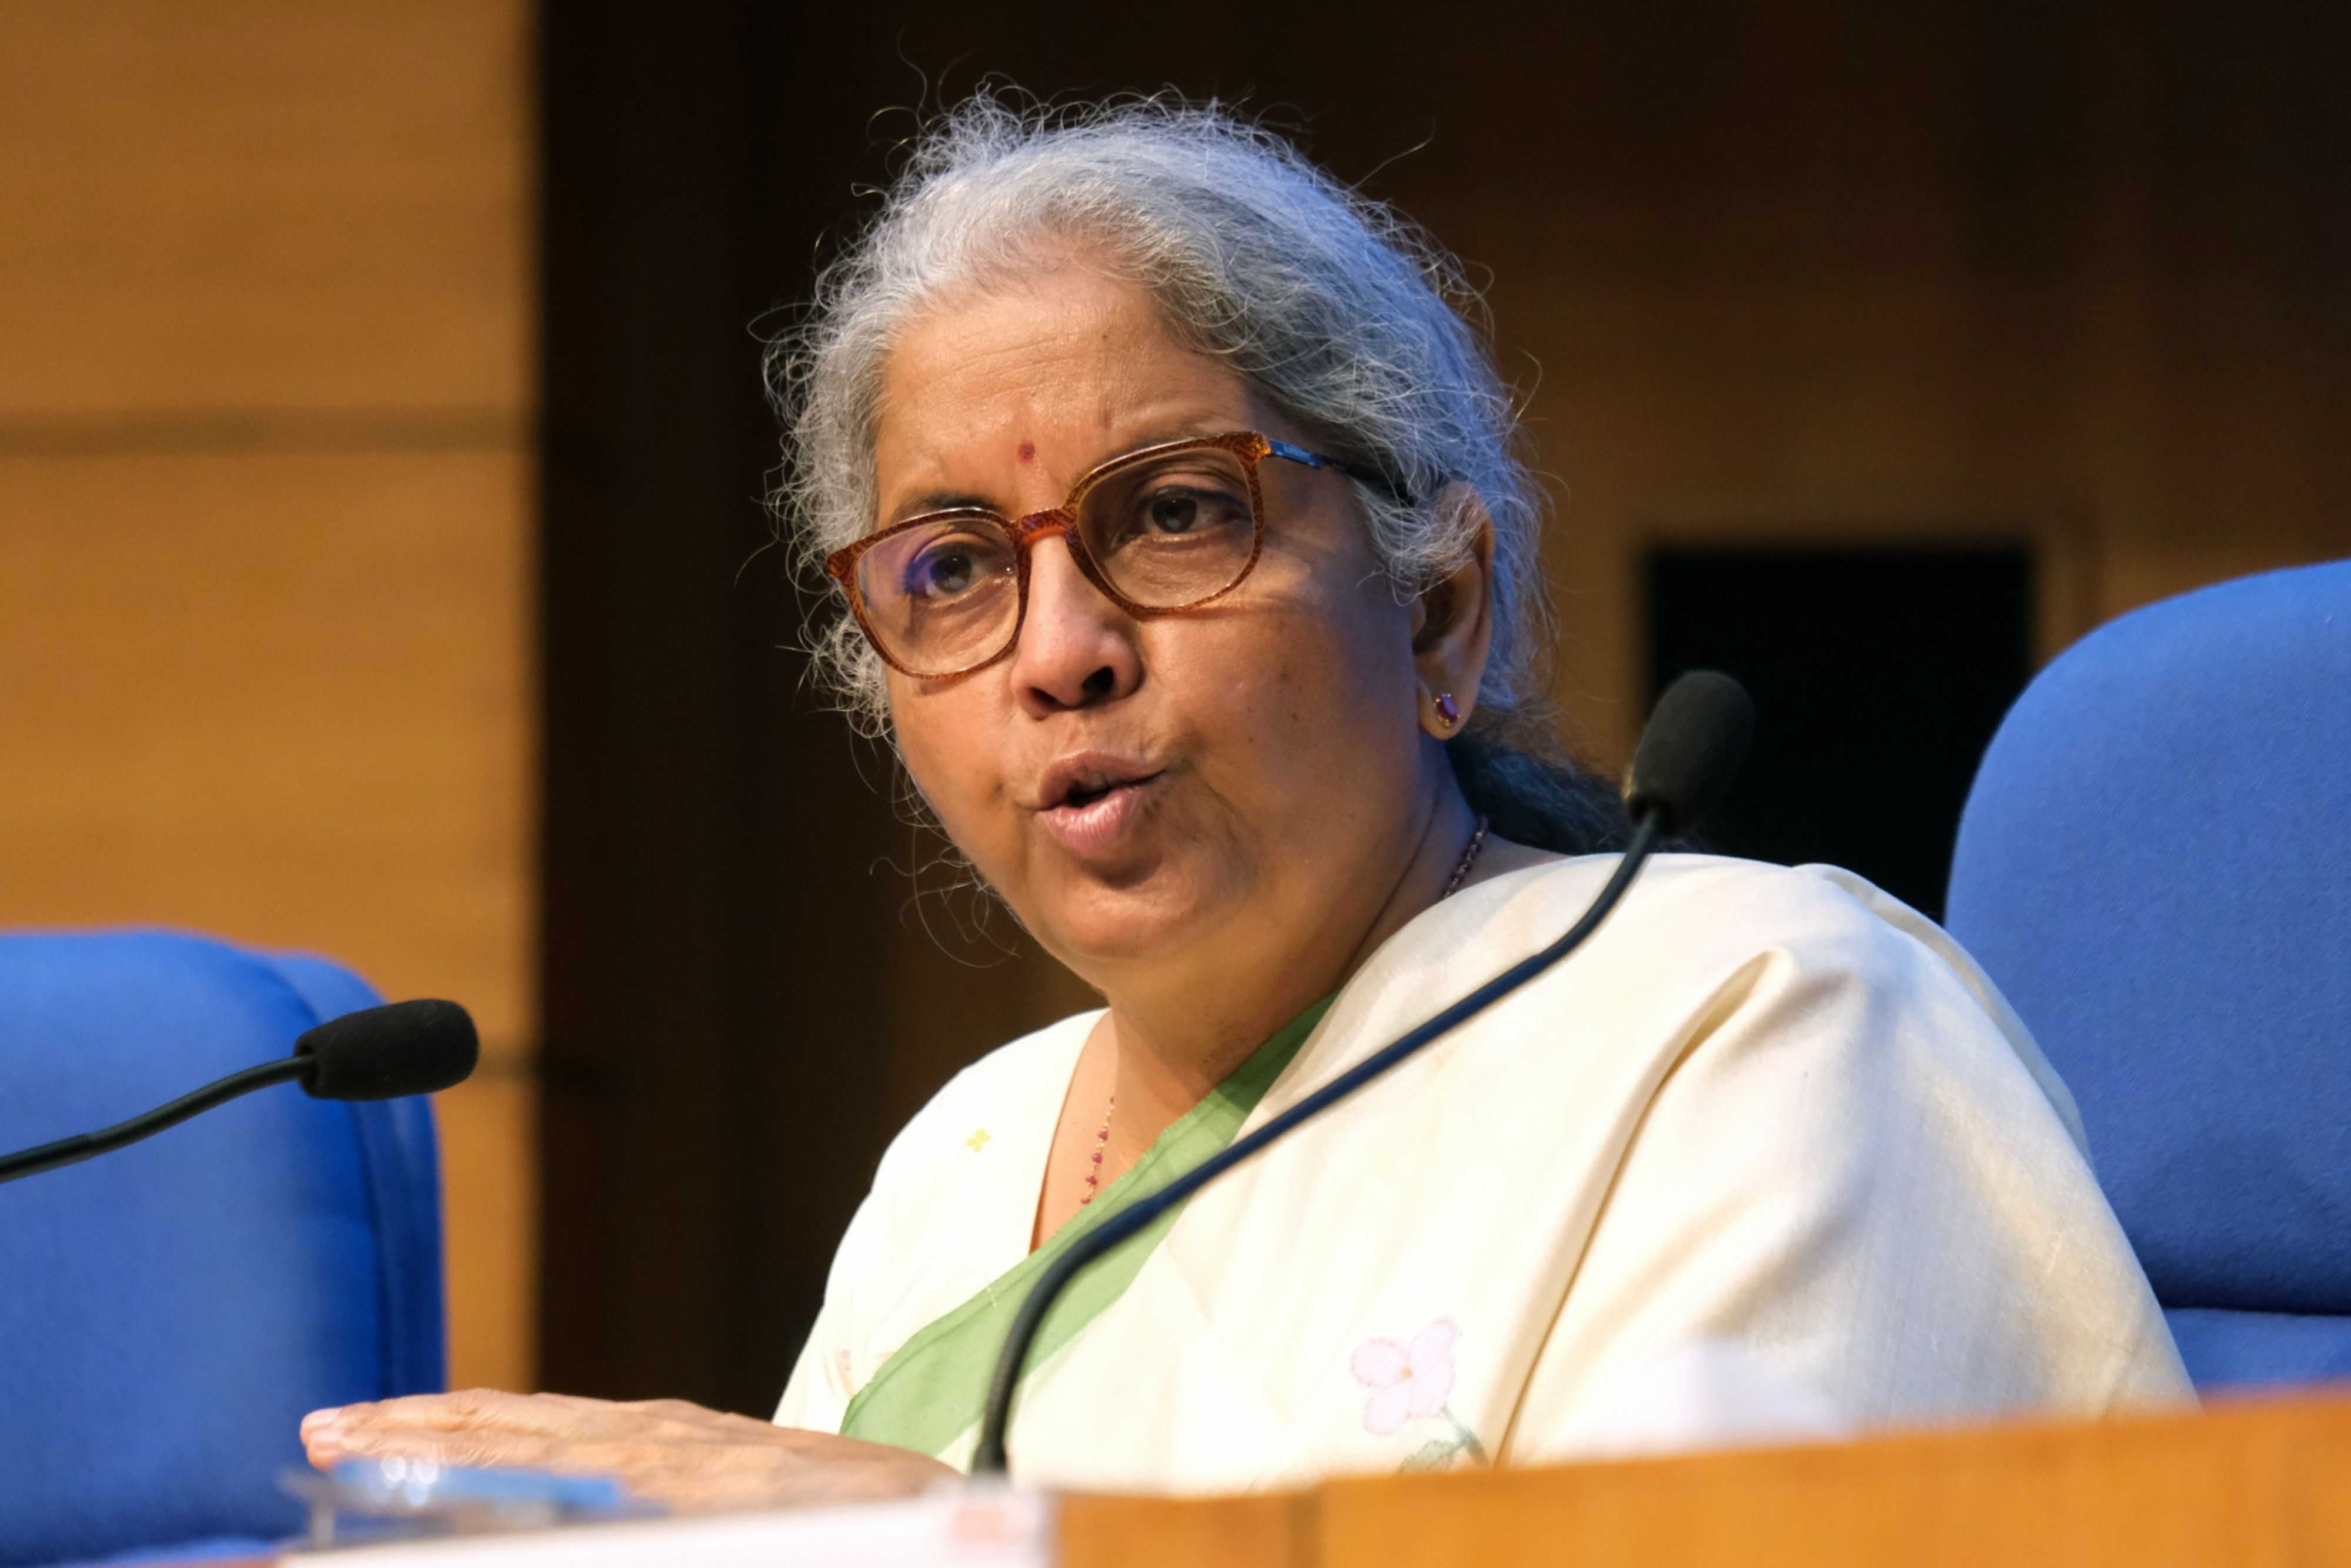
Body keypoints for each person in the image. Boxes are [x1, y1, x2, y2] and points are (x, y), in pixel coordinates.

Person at [301, 97, 2190, 1510]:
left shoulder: (1757, 1025)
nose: (1060, 650)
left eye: (1175, 511)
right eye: (953, 568)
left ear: (1435, 609)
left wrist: (934, 1532)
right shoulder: (961, 1166)